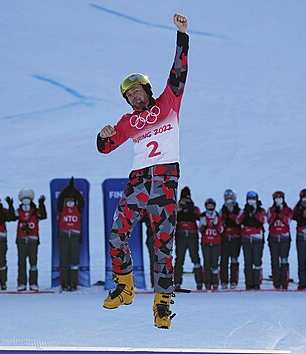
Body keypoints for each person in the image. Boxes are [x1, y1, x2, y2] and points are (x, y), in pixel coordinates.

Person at [97, 13, 188, 328]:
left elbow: (179, 70)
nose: (134, 95)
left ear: (147, 89)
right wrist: (103, 137)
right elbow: (107, 149)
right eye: (129, 94)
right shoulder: (126, 121)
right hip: (138, 183)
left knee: (163, 246)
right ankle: (125, 286)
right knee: (117, 234)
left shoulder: (168, 102)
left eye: (138, 90)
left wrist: (182, 36)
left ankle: (162, 305)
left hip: (164, 183)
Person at [10, 189, 47, 292]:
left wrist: (41, 204)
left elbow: (43, 215)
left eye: (28, 199)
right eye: (24, 199)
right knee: (21, 263)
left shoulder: (35, 211)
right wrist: (10, 205)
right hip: (21, 240)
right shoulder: (19, 211)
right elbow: (11, 217)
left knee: (33, 263)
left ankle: (33, 283)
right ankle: (21, 283)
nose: (26, 201)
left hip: (33, 240)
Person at [56, 178, 84, 292]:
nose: (69, 200)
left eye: (72, 198)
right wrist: (68, 189)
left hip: (75, 237)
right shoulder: (61, 208)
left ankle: (73, 283)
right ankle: (64, 284)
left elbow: (81, 200)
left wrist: (73, 189)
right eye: (68, 198)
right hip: (63, 236)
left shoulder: (78, 208)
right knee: (64, 260)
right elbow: (60, 199)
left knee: (74, 261)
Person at [174, 187, 203, 290]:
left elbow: (199, 216)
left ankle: (199, 281)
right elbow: (171, 217)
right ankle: (177, 282)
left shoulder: (194, 207)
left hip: (192, 235)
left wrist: (190, 209)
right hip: (181, 235)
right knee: (179, 259)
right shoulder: (177, 207)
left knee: (195, 258)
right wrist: (178, 210)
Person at [238, 191, 266, 290]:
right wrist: (246, 212)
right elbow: (238, 220)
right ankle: (249, 282)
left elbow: (263, 220)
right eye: (249, 199)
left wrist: (255, 212)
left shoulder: (261, 210)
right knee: (248, 261)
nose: (251, 201)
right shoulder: (244, 210)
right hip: (246, 238)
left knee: (257, 261)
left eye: (253, 199)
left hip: (257, 238)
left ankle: (257, 282)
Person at [267, 191, 292, 290]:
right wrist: (275, 213)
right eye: (276, 198)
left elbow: (288, 221)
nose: (278, 199)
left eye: (280, 198)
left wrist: (280, 213)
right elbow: (268, 221)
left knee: (284, 259)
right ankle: (276, 282)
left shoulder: (287, 209)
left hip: (284, 237)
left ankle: (284, 281)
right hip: (273, 237)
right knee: (274, 260)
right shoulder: (271, 209)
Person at [199, 198, 223, 290]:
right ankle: (207, 283)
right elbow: (200, 230)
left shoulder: (217, 216)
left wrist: (216, 224)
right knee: (207, 264)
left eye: (211, 205)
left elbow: (221, 230)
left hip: (216, 243)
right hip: (206, 243)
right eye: (208, 205)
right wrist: (204, 225)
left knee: (215, 264)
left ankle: (215, 283)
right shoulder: (203, 216)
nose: (210, 207)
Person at [220, 189, 241, 289]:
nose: (229, 200)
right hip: (225, 238)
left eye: (230, 198)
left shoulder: (238, 210)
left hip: (235, 238)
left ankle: (233, 280)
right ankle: (224, 281)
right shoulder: (222, 210)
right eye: (227, 198)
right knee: (224, 260)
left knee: (234, 259)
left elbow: (239, 221)